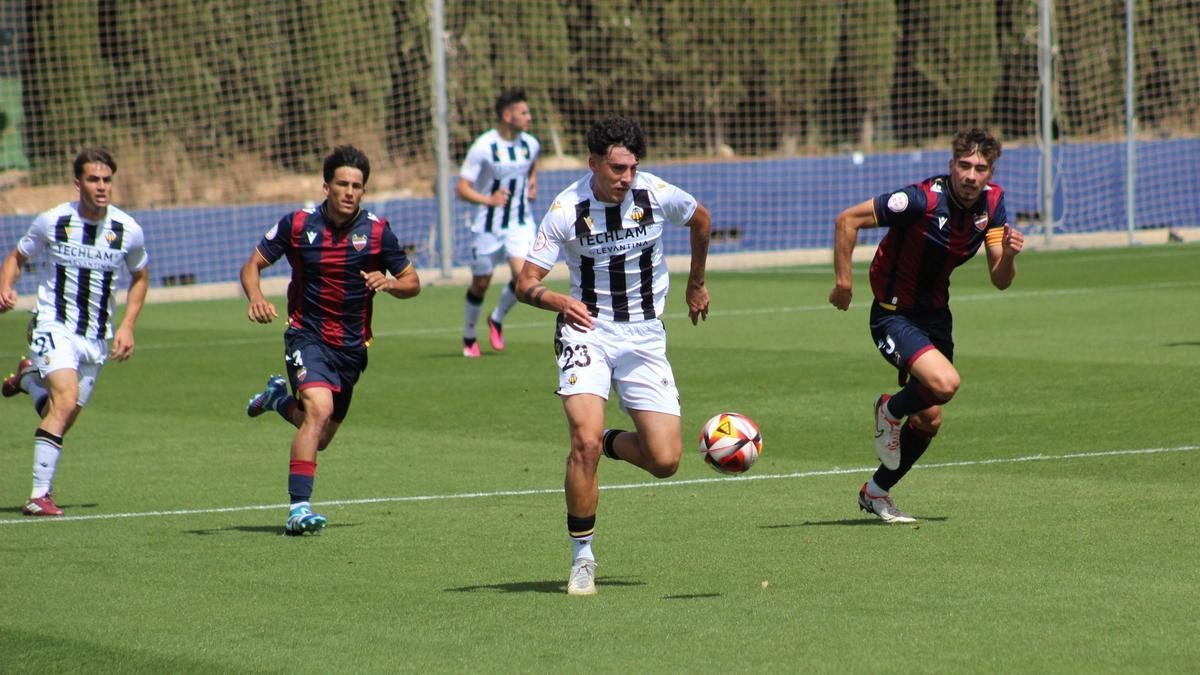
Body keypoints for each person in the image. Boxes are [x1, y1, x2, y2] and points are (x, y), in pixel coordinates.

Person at [516, 115, 712, 595]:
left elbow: (701, 220)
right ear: (594, 164)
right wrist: (561, 301)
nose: (626, 178)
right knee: (580, 443)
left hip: (645, 336)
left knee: (665, 460)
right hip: (588, 332)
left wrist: (697, 282)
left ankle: (608, 441)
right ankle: (583, 556)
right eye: (617, 169)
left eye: (631, 168)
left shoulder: (654, 193)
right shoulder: (567, 208)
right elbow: (525, 284)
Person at [828, 127, 1024, 524]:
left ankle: (877, 492)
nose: (971, 175)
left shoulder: (993, 203)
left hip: (936, 316)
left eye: (980, 168)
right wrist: (844, 284)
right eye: (964, 166)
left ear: (990, 172)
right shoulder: (920, 199)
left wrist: (1010, 256)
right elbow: (847, 220)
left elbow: (1000, 279)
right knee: (945, 383)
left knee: (930, 417)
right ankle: (889, 409)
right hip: (893, 313)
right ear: (951, 165)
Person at [240, 145, 420, 535]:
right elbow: (252, 264)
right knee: (318, 410)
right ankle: (298, 509)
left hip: (352, 348)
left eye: (357, 185)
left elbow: (413, 282)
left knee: (320, 436)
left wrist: (389, 282)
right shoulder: (297, 224)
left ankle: (277, 400)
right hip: (307, 335)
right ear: (326, 186)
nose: (349, 191)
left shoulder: (377, 231)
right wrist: (256, 296)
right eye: (342, 183)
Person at [0, 148, 150, 516]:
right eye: (93, 179)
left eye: (107, 179)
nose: (102, 187)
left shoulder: (127, 230)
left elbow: (140, 276)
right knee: (64, 402)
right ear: (77, 183)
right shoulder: (53, 221)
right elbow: (18, 256)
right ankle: (38, 495)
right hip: (53, 324)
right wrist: (5, 286)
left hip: (95, 338)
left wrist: (128, 325)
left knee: (63, 414)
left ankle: (29, 381)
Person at [456, 88, 540, 357]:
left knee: (524, 279)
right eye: (523, 113)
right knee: (481, 283)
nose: (529, 117)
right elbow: (461, 188)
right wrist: (488, 200)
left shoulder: (530, 144)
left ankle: (497, 317)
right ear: (507, 116)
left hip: (520, 223)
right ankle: (469, 335)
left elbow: (532, 164)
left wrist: (532, 181)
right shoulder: (483, 147)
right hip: (487, 226)